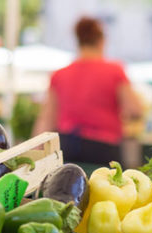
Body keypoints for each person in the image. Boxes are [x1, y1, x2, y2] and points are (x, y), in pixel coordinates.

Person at [33, 16, 143, 165]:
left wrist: (35, 153)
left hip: (67, 145)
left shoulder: (59, 74)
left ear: (78, 41)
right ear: (101, 41)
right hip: (104, 148)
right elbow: (135, 110)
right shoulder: (115, 71)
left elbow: (46, 118)